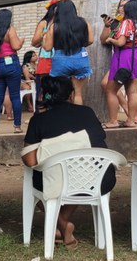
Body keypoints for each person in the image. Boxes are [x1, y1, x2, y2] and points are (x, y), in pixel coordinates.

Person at [22, 76, 116, 247]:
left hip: (58, 182)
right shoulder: (87, 112)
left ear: (44, 96)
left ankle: (62, 224)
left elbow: (29, 160)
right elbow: (100, 140)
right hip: (97, 179)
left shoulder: (38, 120)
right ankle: (63, 225)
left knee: (46, 180)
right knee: (77, 173)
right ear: (71, 95)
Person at [103, 0, 137, 128]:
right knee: (132, 91)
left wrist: (111, 39)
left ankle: (113, 121)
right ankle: (131, 120)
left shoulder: (126, 22)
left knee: (110, 90)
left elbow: (121, 42)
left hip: (125, 56)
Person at [44, 0, 93, 106]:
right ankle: (78, 119)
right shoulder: (84, 23)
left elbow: (47, 47)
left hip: (61, 61)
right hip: (80, 59)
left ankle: (64, 119)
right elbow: (90, 40)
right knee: (78, 93)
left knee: (61, 93)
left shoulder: (55, 26)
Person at [0, 9, 25, 135]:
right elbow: (16, 46)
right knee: (14, 96)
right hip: (10, 63)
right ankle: (17, 126)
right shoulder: (10, 30)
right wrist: (22, 41)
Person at [100, 0, 135, 127]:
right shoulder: (118, 22)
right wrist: (107, 26)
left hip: (129, 57)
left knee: (133, 88)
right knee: (108, 85)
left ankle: (128, 117)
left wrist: (112, 40)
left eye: (125, 5)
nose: (121, 8)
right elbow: (103, 39)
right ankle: (129, 115)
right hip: (120, 58)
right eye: (120, 5)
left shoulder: (131, 22)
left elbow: (120, 42)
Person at [31, 0, 59, 108]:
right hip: (46, 58)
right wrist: (45, 33)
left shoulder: (63, 23)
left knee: (58, 87)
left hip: (60, 58)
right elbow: (34, 42)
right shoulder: (44, 23)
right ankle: (43, 108)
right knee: (45, 87)